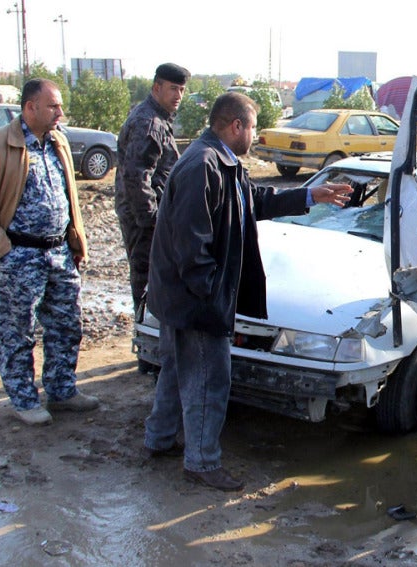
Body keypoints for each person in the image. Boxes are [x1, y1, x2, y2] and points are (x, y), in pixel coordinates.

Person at [143, 92, 353, 492]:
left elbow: (252, 200)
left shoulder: (223, 161)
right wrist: (211, 297)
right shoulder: (202, 166)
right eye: (253, 127)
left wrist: (311, 195)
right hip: (193, 301)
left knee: (176, 370)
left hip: (181, 297)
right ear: (235, 125)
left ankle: (159, 438)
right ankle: (202, 462)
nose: (255, 137)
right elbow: (192, 244)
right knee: (209, 379)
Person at [0, 78, 99, 425]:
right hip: (20, 255)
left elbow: (70, 198)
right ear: (30, 108)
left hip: (59, 255)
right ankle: (24, 400)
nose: (61, 113)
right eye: (53, 106)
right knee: (16, 331)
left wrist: (75, 242)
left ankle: (62, 390)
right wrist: (3, 252)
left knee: (67, 326)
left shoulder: (58, 143)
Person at [114, 63, 190, 324]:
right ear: (157, 88)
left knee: (153, 284)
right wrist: (153, 222)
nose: (178, 96)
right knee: (147, 285)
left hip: (146, 218)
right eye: (172, 89)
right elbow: (136, 177)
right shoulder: (149, 122)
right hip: (144, 221)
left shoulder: (157, 119)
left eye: (181, 90)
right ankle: (149, 351)